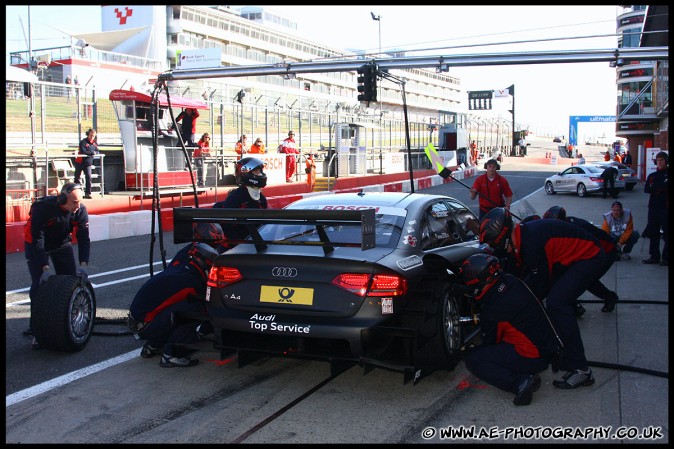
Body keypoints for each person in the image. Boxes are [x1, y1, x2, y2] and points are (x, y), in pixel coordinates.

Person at [479, 207, 609, 389]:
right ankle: (560, 351)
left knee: (557, 303)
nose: (503, 251)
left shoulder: (532, 245)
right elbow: (517, 277)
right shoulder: (522, 236)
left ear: (505, 239)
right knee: (548, 300)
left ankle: (581, 370)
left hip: (590, 256)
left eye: (500, 246)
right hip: (569, 260)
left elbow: (539, 289)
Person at [460, 253, 562, 406]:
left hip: (535, 356)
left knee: (474, 359)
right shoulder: (511, 280)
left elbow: (491, 341)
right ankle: (525, 370)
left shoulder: (494, 310)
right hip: (549, 344)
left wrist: (468, 348)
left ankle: (520, 382)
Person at [23, 182, 91, 350]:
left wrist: (83, 265)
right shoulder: (43, 208)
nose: (78, 205)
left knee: (69, 282)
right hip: (36, 244)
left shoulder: (80, 210)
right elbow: (38, 239)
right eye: (74, 202)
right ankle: (36, 330)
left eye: (80, 201)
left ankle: (65, 324)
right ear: (62, 198)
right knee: (39, 285)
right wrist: (45, 268)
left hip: (61, 243)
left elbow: (83, 238)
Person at [128, 242, 218, 368]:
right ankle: (173, 354)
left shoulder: (180, 266)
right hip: (146, 326)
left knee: (169, 308)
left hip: (139, 322)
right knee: (195, 309)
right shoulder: (191, 280)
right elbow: (208, 299)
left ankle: (153, 345)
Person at [543, 206, 619, 314]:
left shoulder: (573, 229)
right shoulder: (566, 226)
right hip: (595, 251)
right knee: (575, 276)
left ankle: (609, 298)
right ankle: (574, 305)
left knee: (585, 279)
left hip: (607, 251)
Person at [212, 157, 268, 251]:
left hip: (254, 245)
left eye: (260, 171)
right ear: (247, 173)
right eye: (257, 171)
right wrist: (240, 243)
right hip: (235, 249)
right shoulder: (236, 196)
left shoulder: (261, 198)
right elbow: (226, 224)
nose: (261, 174)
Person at [642, 151, 668, 266]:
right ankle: (654, 256)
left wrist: (657, 188)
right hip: (653, 207)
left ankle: (666, 258)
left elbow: (663, 187)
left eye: (661, 160)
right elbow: (647, 189)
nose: (659, 162)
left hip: (665, 208)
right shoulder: (652, 176)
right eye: (657, 160)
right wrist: (660, 188)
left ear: (666, 161)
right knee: (653, 232)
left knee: (667, 234)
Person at [74, 128, 99, 199]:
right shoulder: (83, 142)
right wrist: (91, 153)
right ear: (88, 134)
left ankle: (88, 193)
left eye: (93, 136)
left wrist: (93, 153)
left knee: (88, 177)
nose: (92, 137)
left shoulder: (94, 143)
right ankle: (76, 193)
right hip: (80, 162)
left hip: (88, 163)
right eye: (91, 135)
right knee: (77, 178)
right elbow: (83, 151)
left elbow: (97, 151)